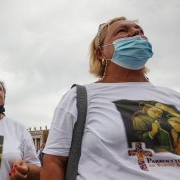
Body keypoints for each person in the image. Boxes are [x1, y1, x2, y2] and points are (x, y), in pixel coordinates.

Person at [41, 16, 180, 179]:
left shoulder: (173, 97)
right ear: (100, 52)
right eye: (122, 31)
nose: (135, 32)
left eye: (140, 30)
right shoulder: (80, 98)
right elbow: (54, 162)